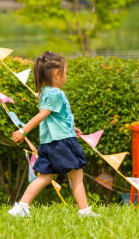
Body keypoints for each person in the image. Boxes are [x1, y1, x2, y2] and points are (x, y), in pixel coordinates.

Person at [8, 51, 98, 217]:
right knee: (77, 175)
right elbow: (42, 115)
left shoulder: (45, 93)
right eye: (66, 73)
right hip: (62, 142)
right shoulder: (57, 94)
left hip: (49, 143)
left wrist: (72, 128)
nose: (66, 77)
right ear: (57, 74)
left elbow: (55, 119)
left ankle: (21, 207)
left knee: (45, 177)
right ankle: (84, 211)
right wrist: (23, 131)